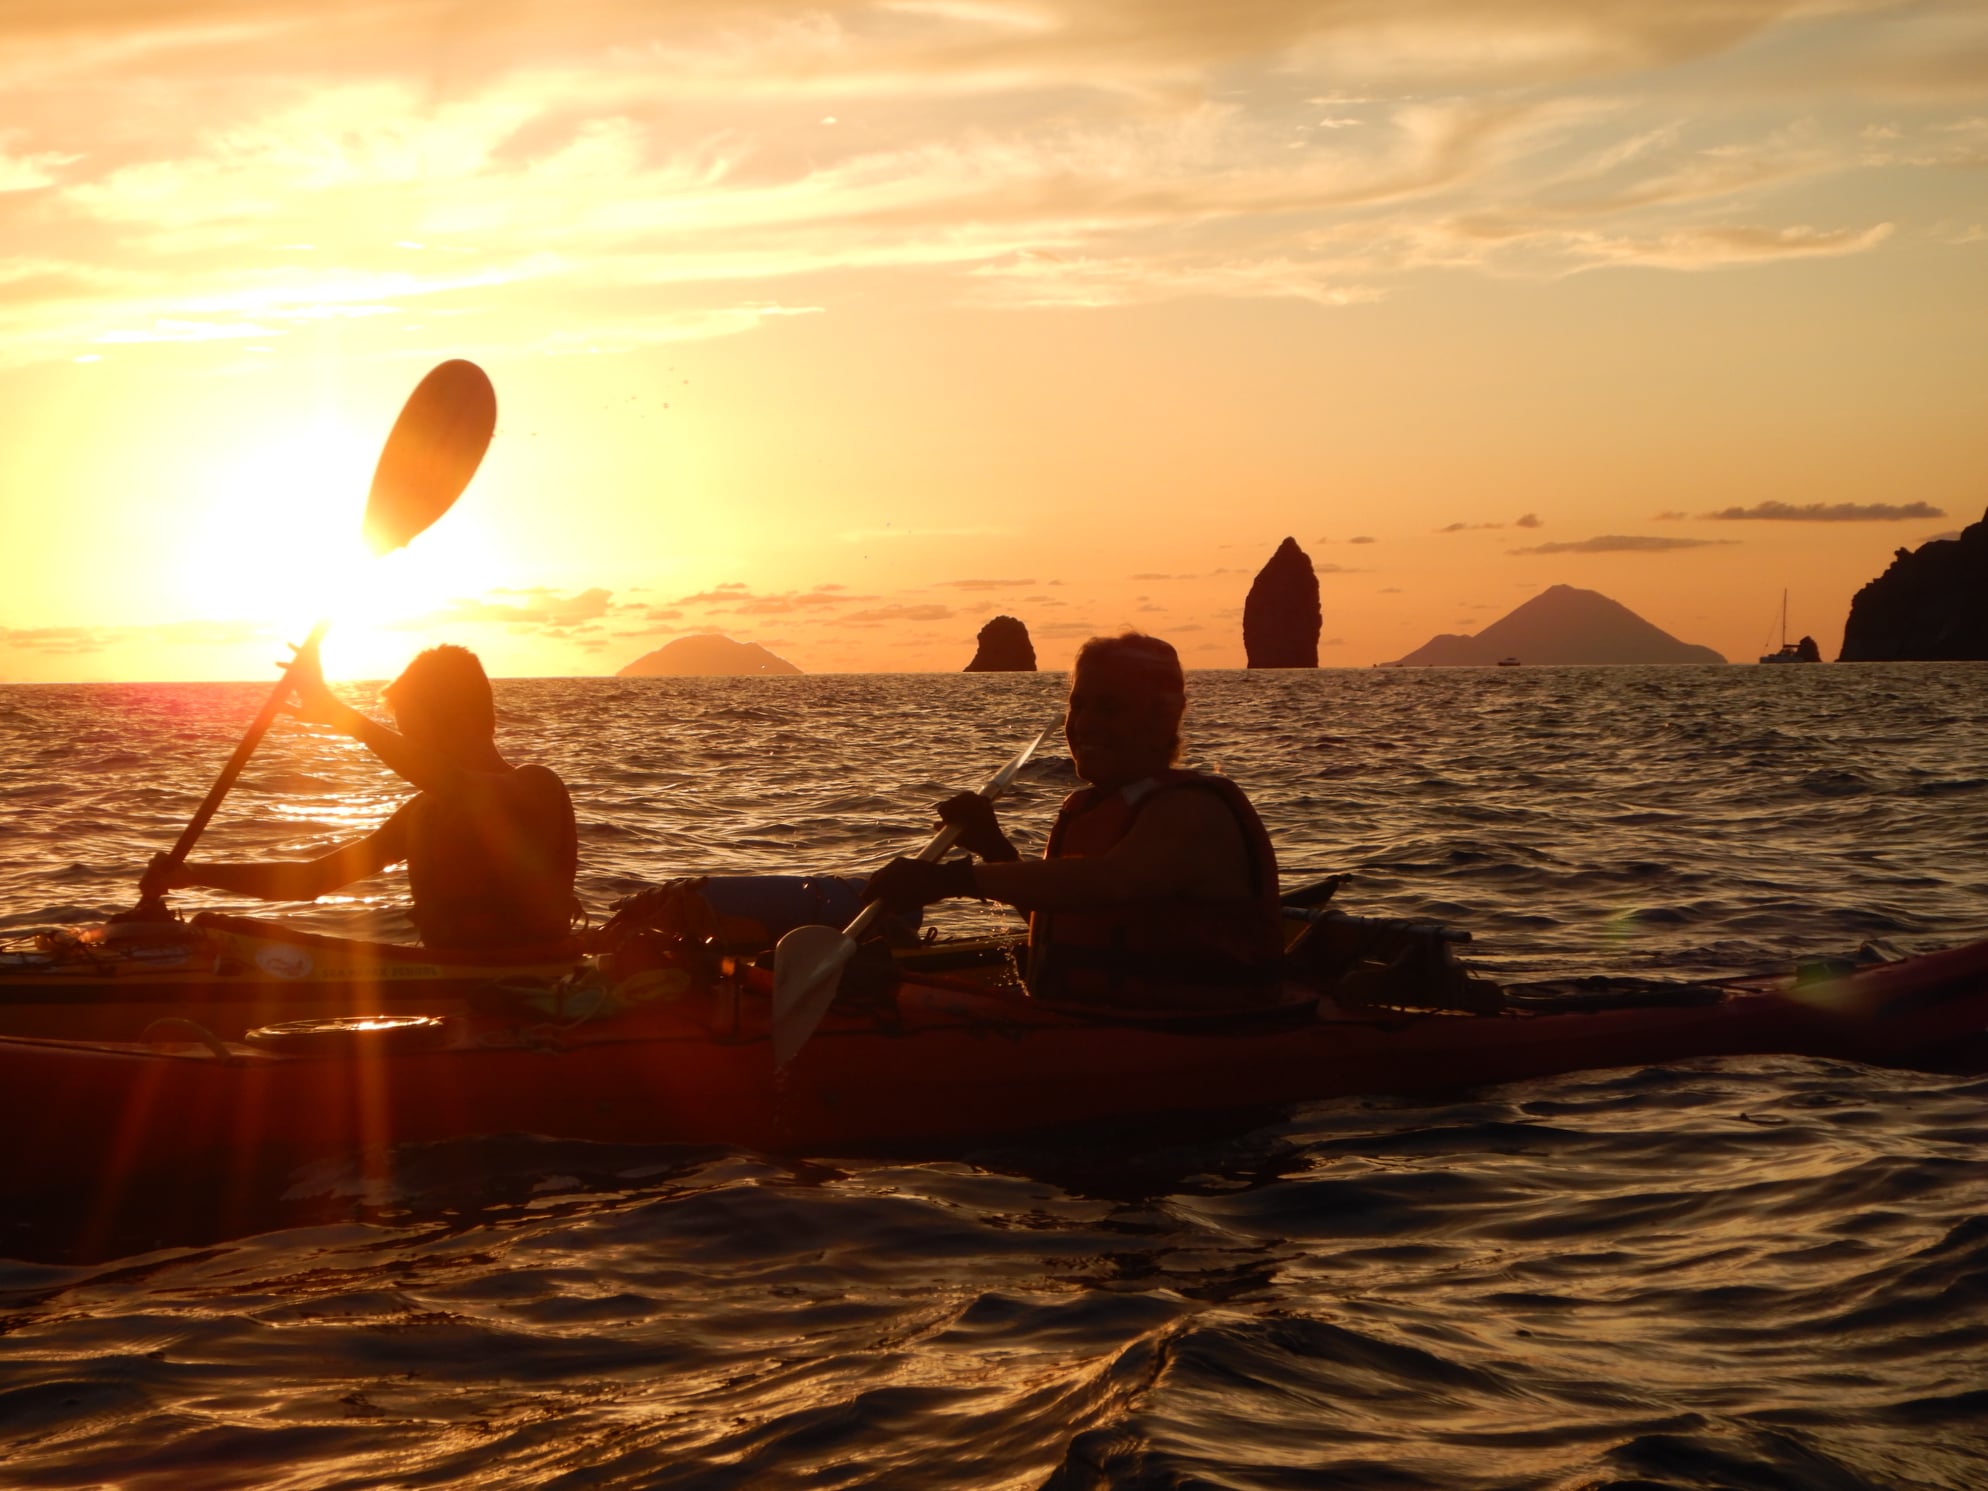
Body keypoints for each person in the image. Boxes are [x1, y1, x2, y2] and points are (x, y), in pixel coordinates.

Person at [865, 633, 1285, 1009]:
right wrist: (994, 848)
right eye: (1077, 705)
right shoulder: (1092, 806)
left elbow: (1112, 883)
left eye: (1110, 708)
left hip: (1197, 1031)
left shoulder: (1191, 810)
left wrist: (951, 881)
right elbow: (1072, 914)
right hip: (1092, 1022)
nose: (1083, 725)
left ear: (1163, 719)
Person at [142, 643, 579, 951]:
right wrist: (194, 875)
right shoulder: (425, 812)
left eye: (414, 734)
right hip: (450, 979)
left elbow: (461, 787)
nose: (409, 748)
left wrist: (340, 716)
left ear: (462, 720)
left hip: (530, 983)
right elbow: (315, 879)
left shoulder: (535, 786)